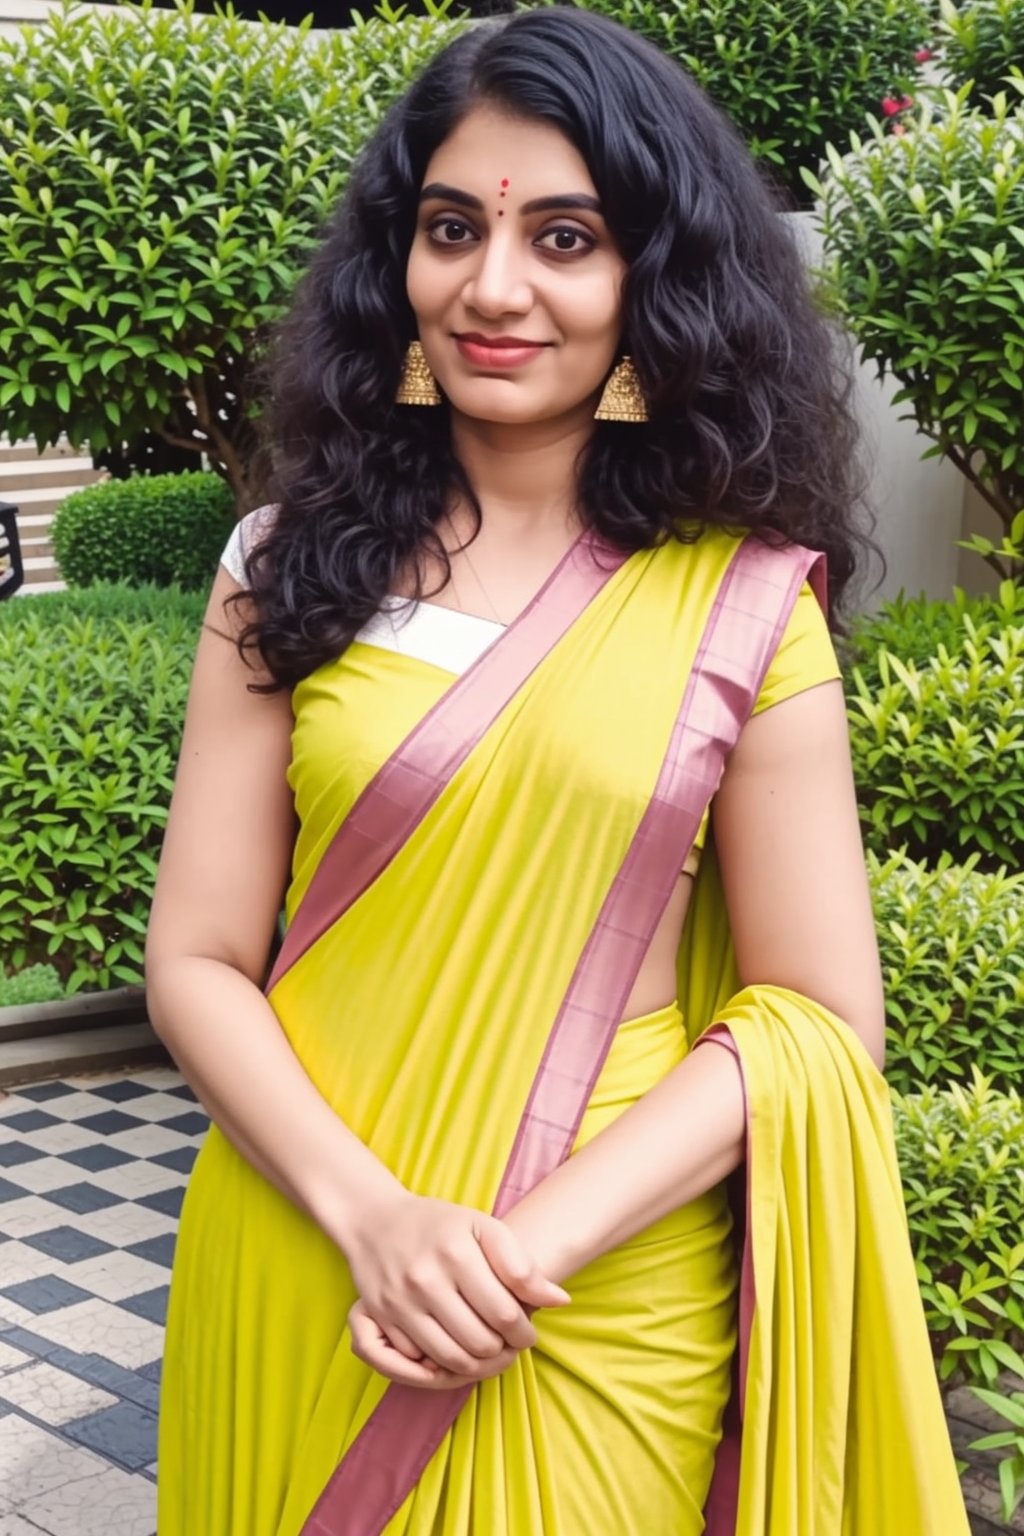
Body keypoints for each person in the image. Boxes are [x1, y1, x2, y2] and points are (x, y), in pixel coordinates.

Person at [146, 10, 970, 1533]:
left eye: (568, 235)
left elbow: (815, 1015)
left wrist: (521, 1248)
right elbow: (197, 955)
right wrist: (377, 1219)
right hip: (306, 1233)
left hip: (587, 1285)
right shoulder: (285, 564)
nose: (494, 286)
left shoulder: (745, 599)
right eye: (453, 227)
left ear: (654, 277)